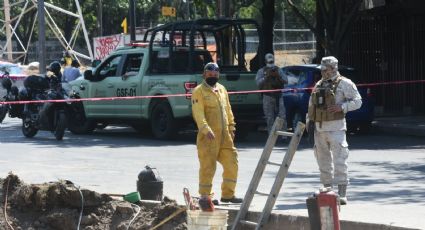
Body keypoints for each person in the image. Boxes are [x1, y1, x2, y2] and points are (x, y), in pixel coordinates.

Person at [307, 56, 362, 205]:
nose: (323, 72)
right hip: (320, 129)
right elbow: (312, 105)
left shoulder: (345, 83)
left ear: (333, 68)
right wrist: (309, 123)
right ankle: (327, 191)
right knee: (323, 161)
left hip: (336, 128)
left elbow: (358, 101)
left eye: (326, 69)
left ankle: (342, 193)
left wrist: (342, 107)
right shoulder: (319, 84)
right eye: (322, 70)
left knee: (340, 161)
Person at [191, 62, 242, 205]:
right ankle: (206, 196)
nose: (213, 76)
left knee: (232, 162)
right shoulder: (199, 91)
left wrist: (232, 127)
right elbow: (198, 113)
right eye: (210, 73)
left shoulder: (222, 89)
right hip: (208, 137)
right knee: (208, 166)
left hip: (225, 137)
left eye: (215, 74)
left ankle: (228, 195)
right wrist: (206, 129)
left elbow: (228, 110)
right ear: (204, 74)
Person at [255, 53, 288, 135]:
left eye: (272, 61)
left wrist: (278, 76)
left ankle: (283, 136)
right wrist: (266, 77)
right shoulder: (261, 71)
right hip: (267, 96)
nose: (271, 64)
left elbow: (286, 81)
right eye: (269, 62)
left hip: (278, 96)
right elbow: (258, 83)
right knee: (269, 118)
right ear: (266, 61)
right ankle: (271, 135)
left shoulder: (278, 70)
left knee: (282, 116)